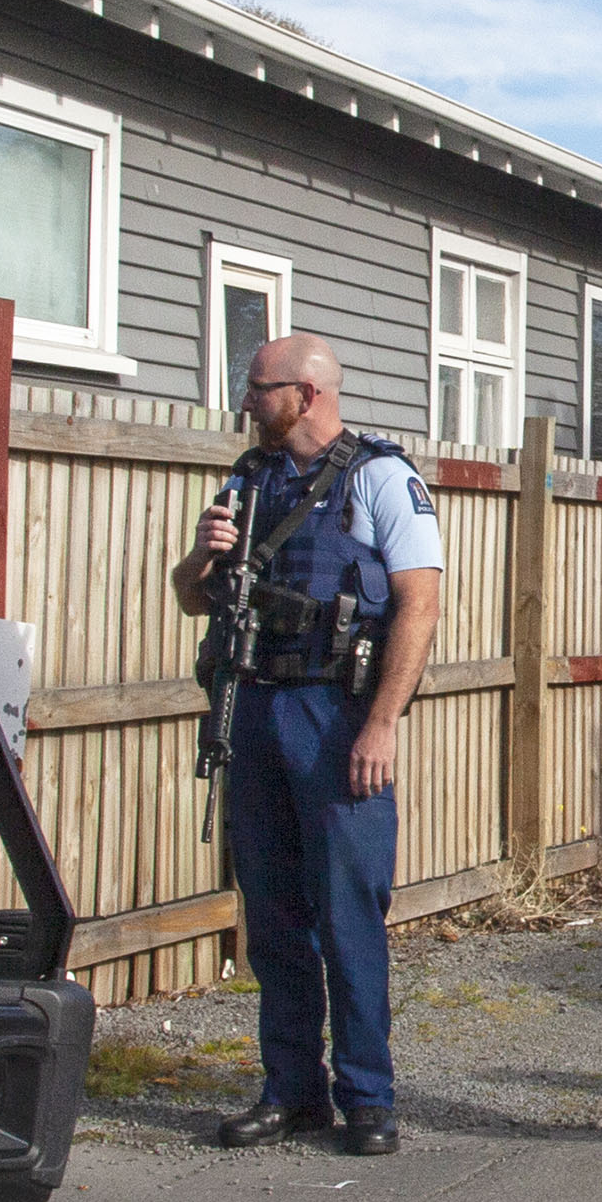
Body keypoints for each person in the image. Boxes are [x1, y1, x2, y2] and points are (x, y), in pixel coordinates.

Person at [172, 333, 443, 1157]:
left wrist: (381, 724)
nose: (247, 401)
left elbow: (419, 607)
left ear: (309, 393)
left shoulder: (380, 478)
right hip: (252, 707)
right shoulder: (244, 484)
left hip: (334, 714)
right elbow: (190, 597)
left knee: (348, 910)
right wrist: (201, 556)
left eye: (260, 388)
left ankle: (368, 1095)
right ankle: (291, 1090)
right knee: (274, 913)